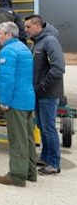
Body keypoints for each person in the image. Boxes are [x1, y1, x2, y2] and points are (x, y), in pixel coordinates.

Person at [0, 21, 36, 187]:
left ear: (8, 34)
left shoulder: (8, 51)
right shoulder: (24, 48)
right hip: (27, 99)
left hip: (15, 101)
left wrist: (4, 101)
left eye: (0, 33)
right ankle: (30, 172)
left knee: (17, 139)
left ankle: (17, 175)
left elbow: (7, 79)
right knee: (28, 138)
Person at [25, 15, 65, 176]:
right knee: (42, 126)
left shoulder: (49, 41)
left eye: (28, 27)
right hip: (39, 93)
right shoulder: (38, 42)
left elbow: (58, 68)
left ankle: (54, 163)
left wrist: (42, 86)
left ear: (37, 25)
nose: (26, 30)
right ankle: (46, 157)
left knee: (48, 128)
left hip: (47, 94)